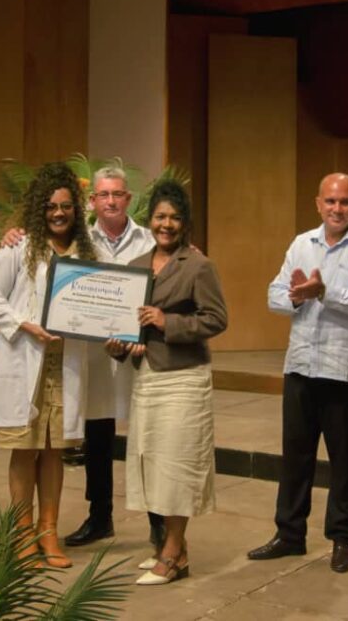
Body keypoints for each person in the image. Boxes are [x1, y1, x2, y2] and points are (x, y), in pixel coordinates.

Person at [1, 165, 165, 552]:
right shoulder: (78, 238)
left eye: (118, 194)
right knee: (97, 438)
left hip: (138, 352)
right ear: (91, 201)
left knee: (147, 439)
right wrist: (11, 233)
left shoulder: (150, 240)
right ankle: (100, 516)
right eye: (103, 195)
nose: (111, 201)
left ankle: (159, 522)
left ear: (129, 200)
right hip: (90, 353)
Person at [246, 173, 348, 574]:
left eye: (345, 202)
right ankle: (289, 535)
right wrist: (297, 295)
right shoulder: (301, 244)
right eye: (330, 202)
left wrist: (326, 294)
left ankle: (342, 540)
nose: (337, 209)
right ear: (317, 203)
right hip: (302, 366)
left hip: (347, 371)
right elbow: (273, 294)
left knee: (344, 461)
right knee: (295, 458)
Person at [105, 180, 227, 585]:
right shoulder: (137, 265)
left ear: (185, 222)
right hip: (149, 378)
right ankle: (166, 546)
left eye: (175, 217)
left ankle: (174, 553)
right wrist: (117, 344)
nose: (167, 224)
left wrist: (167, 321)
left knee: (178, 467)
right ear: (150, 219)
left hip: (184, 378)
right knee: (152, 464)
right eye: (160, 216)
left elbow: (216, 319)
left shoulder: (198, 265)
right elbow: (126, 325)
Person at [0, 162, 96, 568]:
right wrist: (22, 325)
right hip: (25, 357)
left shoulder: (86, 251)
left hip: (64, 362)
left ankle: (49, 534)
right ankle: (22, 536)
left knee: (54, 451)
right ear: (38, 208)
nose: (58, 213)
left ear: (76, 209)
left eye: (66, 206)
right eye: (50, 206)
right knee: (24, 449)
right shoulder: (18, 246)